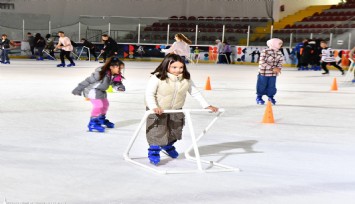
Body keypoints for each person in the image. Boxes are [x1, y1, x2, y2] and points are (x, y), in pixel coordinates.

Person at [144, 53, 218, 165]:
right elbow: (149, 94)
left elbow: (195, 92)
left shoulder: (186, 79)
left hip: (176, 109)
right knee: (157, 130)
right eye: (174, 67)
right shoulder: (158, 77)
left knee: (175, 130)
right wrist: (154, 107)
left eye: (181, 67)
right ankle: (154, 151)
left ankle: (167, 145)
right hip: (158, 109)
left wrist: (206, 105)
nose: (178, 70)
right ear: (166, 65)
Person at [71, 57, 125, 132]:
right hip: (92, 91)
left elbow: (116, 84)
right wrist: (78, 89)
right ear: (111, 67)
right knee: (99, 105)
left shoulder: (115, 75)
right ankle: (92, 123)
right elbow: (88, 80)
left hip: (101, 91)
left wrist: (119, 87)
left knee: (106, 104)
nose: (120, 70)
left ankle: (101, 119)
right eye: (119, 68)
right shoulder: (100, 73)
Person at [256, 38, 283, 105]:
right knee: (261, 85)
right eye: (279, 44)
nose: (281, 45)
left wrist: (279, 68)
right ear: (274, 44)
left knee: (272, 86)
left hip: (273, 74)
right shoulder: (265, 51)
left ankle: (271, 97)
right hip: (263, 73)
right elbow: (262, 62)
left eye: (281, 44)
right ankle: (259, 97)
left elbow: (280, 61)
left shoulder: (279, 52)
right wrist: (273, 68)